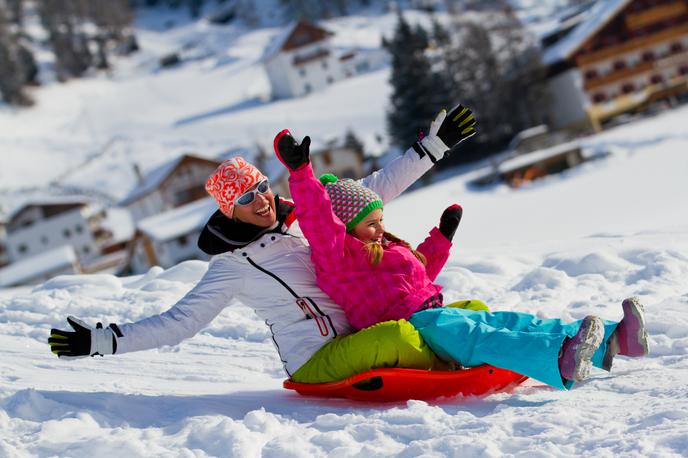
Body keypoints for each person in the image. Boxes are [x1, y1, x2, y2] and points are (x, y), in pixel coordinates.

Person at [47, 105, 479, 384]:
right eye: (246, 197)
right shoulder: (232, 265)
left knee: (459, 312)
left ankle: (477, 341)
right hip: (317, 361)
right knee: (402, 337)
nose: (262, 200)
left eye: (263, 187)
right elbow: (179, 322)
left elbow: (373, 190)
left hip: (365, 331)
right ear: (227, 210)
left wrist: (433, 148)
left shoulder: (304, 218)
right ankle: (460, 361)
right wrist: (104, 341)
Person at [273, 114, 650, 390]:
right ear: (347, 227)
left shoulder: (384, 247)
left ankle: (615, 340)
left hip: (432, 313)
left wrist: (442, 237)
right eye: (371, 223)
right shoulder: (338, 256)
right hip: (413, 325)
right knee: (479, 337)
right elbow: (319, 221)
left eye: (381, 218)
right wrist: (302, 173)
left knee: (509, 321)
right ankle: (559, 357)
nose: (381, 228)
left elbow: (420, 274)